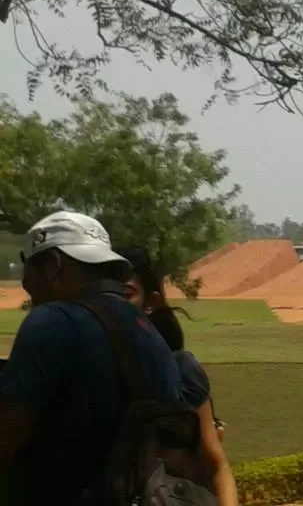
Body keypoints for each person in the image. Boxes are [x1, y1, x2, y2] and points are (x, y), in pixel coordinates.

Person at [0, 211, 182, 505]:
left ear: (55, 267)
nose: (28, 288)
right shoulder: (149, 332)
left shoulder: (53, 320)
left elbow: (7, 433)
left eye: (29, 273)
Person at [119, 246, 238, 504]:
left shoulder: (180, 370)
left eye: (125, 295)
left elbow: (215, 463)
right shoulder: (81, 368)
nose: (114, 306)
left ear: (151, 303)